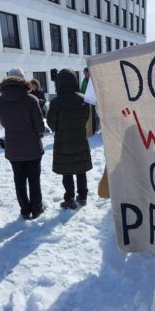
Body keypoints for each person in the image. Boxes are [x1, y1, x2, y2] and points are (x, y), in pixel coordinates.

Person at [0, 68, 46, 220]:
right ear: (23, 80)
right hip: (32, 147)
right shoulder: (31, 99)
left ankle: (25, 209)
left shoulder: (1, 100)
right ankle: (36, 208)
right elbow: (40, 127)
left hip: (13, 147)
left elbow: (4, 123)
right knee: (34, 180)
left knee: (19, 180)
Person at [47, 69, 92, 209]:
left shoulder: (56, 102)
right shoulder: (83, 99)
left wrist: (59, 128)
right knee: (81, 169)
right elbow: (86, 118)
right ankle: (83, 196)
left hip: (63, 141)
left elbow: (51, 123)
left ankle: (70, 198)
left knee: (67, 171)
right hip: (80, 139)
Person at [80, 68, 100, 134]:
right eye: (84, 73)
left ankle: (95, 129)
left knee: (95, 115)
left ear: (89, 73)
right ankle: (90, 129)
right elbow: (82, 90)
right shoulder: (84, 80)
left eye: (85, 73)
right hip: (86, 101)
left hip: (93, 101)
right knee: (88, 116)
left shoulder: (92, 80)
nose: (84, 74)